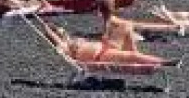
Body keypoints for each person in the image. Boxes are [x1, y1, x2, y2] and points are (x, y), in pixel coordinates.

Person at [42, 21, 173, 69]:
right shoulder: (63, 45)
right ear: (57, 35)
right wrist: (47, 27)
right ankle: (165, 62)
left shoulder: (72, 39)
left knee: (126, 26)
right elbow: (50, 35)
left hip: (105, 48)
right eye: (60, 31)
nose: (64, 31)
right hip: (100, 56)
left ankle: (136, 57)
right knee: (132, 55)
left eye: (63, 30)